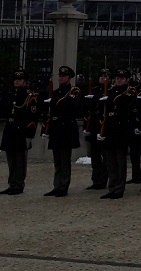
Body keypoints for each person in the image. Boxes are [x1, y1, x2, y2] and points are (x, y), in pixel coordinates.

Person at [42, 66, 82, 197]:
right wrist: (45, 128)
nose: (60, 78)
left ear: (69, 78)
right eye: (60, 76)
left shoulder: (74, 91)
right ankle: (56, 186)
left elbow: (69, 105)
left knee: (64, 160)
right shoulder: (55, 92)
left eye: (63, 76)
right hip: (56, 127)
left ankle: (64, 186)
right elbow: (50, 112)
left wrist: (53, 101)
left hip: (66, 128)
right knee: (57, 161)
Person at [0, 69, 38, 195]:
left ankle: (19, 184)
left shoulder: (29, 96)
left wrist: (29, 135)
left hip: (21, 131)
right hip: (10, 129)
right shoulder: (10, 93)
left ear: (25, 82)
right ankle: (12, 183)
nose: (17, 81)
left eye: (20, 79)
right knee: (11, 160)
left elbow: (32, 117)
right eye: (15, 79)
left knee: (20, 160)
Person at [99, 68, 137, 199]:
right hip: (110, 129)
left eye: (122, 78)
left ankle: (119, 189)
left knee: (120, 162)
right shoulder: (110, 91)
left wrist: (110, 98)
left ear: (126, 80)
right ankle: (112, 187)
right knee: (110, 162)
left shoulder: (130, 91)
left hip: (122, 130)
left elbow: (124, 101)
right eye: (117, 78)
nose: (119, 80)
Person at [83, 69, 110, 190]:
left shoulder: (110, 91)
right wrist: (86, 126)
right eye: (101, 76)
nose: (103, 78)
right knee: (95, 156)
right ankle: (96, 179)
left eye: (105, 76)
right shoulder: (94, 91)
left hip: (104, 127)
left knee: (105, 156)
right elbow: (88, 110)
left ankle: (103, 180)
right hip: (94, 126)